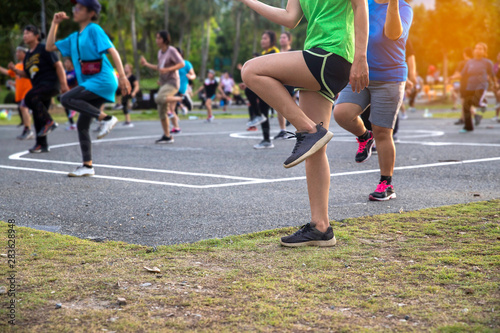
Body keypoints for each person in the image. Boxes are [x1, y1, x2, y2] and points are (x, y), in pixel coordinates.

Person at [238, 0, 369, 246]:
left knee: (250, 70)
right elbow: (290, 18)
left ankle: (306, 129)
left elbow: (360, 5)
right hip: (317, 58)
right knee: (314, 150)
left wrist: (361, 56)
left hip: (332, 54)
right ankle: (321, 227)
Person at [334, 0, 413, 202]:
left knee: (382, 132)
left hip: (390, 78)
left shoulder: (403, 8)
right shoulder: (363, 4)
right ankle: (363, 136)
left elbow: (393, 34)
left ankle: (386, 184)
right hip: (362, 73)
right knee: (341, 113)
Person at [46, 0, 131, 177]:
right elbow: (49, 47)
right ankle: (87, 166)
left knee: (66, 99)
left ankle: (106, 118)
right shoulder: (74, 37)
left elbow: (112, 51)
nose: (75, 11)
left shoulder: (94, 29)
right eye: (75, 7)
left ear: (91, 13)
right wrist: (54, 24)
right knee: (82, 124)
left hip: (103, 79)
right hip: (92, 82)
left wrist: (122, 77)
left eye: (80, 8)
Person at [8, 25, 68, 154]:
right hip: (39, 87)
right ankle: (42, 144)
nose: (24, 36)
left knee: (29, 97)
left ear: (36, 36)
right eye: (24, 34)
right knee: (37, 114)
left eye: (28, 33)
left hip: (50, 83)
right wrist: (15, 70)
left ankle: (49, 121)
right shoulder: (28, 56)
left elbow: (58, 65)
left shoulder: (45, 48)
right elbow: (27, 74)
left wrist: (63, 84)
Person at [140, 30, 184, 144]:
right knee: (161, 110)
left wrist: (168, 70)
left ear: (164, 39)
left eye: (158, 38)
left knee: (158, 98)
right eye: (156, 38)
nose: (156, 40)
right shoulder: (160, 53)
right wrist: (146, 64)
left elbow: (181, 63)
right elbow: (159, 67)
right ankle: (167, 135)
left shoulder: (172, 50)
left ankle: (181, 99)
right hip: (164, 83)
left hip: (173, 82)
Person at [248, 31, 280, 149]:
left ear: (271, 40)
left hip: (272, 85)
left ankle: (257, 116)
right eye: (262, 38)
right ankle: (266, 140)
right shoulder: (263, 53)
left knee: (249, 91)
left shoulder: (274, 52)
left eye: (265, 38)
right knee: (263, 111)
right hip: (264, 84)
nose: (262, 40)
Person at [460, 42, 498, 133]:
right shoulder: (470, 62)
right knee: (466, 106)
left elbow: (492, 75)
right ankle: (468, 127)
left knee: (476, 102)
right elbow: (463, 74)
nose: (477, 50)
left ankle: (483, 103)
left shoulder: (487, 62)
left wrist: (495, 84)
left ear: (484, 51)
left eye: (480, 49)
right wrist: (451, 78)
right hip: (469, 86)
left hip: (481, 86)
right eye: (476, 48)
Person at [0, 46, 33, 140]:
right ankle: (27, 129)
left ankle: (29, 130)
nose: (17, 54)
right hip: (21, 93)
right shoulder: (17, 66)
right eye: (16, 52)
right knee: (22, 109)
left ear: (24, 53)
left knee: (23, 108)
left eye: (19, 52)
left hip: (28, 91)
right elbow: (8, 72)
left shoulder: (28, 64)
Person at [274, 31, 295, 140]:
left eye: (284, 37)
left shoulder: (293, 52)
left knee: (293, 106)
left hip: (291, 83)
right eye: (280, 37)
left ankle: (302, 128)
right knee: (279, 107)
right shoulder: (277, 53)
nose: (282, 39)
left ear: (289, 40)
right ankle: (282, 130)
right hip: (280, 82)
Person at [170, 48, 196, 133]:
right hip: (172, 87)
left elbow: (193, 75)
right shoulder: (172, 64)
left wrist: (190, 76)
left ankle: (183, 100)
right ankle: (176, 127)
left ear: (181, 55)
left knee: (171, 108)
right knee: (171, 109)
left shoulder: (186, 64)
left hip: (180, 88)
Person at [448, 47, 474, 125]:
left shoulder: (462, 63)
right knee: (467, 102)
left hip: (464, 84)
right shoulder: (474, 62)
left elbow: (458, 74)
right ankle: (462, 118)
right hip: (473, 84)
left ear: (464, 54)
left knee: (464, 102)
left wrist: (451, 78)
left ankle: (475, 115)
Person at [121, 63, 140, 127]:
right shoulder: (125, 77)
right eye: (125, 67)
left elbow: (137, 86)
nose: (125, 69)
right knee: (124, 105)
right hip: (125, 93)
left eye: (127, 68)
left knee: (125, 105)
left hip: (130, 93)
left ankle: (128, 121)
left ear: (130, 69)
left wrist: (134, 92)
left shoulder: (133, 77)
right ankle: (127, 120)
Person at [63, 58, 78, 130]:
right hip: (67, 93)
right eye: (65, 62)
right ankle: (72, 124)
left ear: (72, 63)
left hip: (76, 92)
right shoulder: (64, 72)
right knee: (65, 105)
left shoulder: (75, 72)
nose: (66, 64)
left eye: (68, 62)